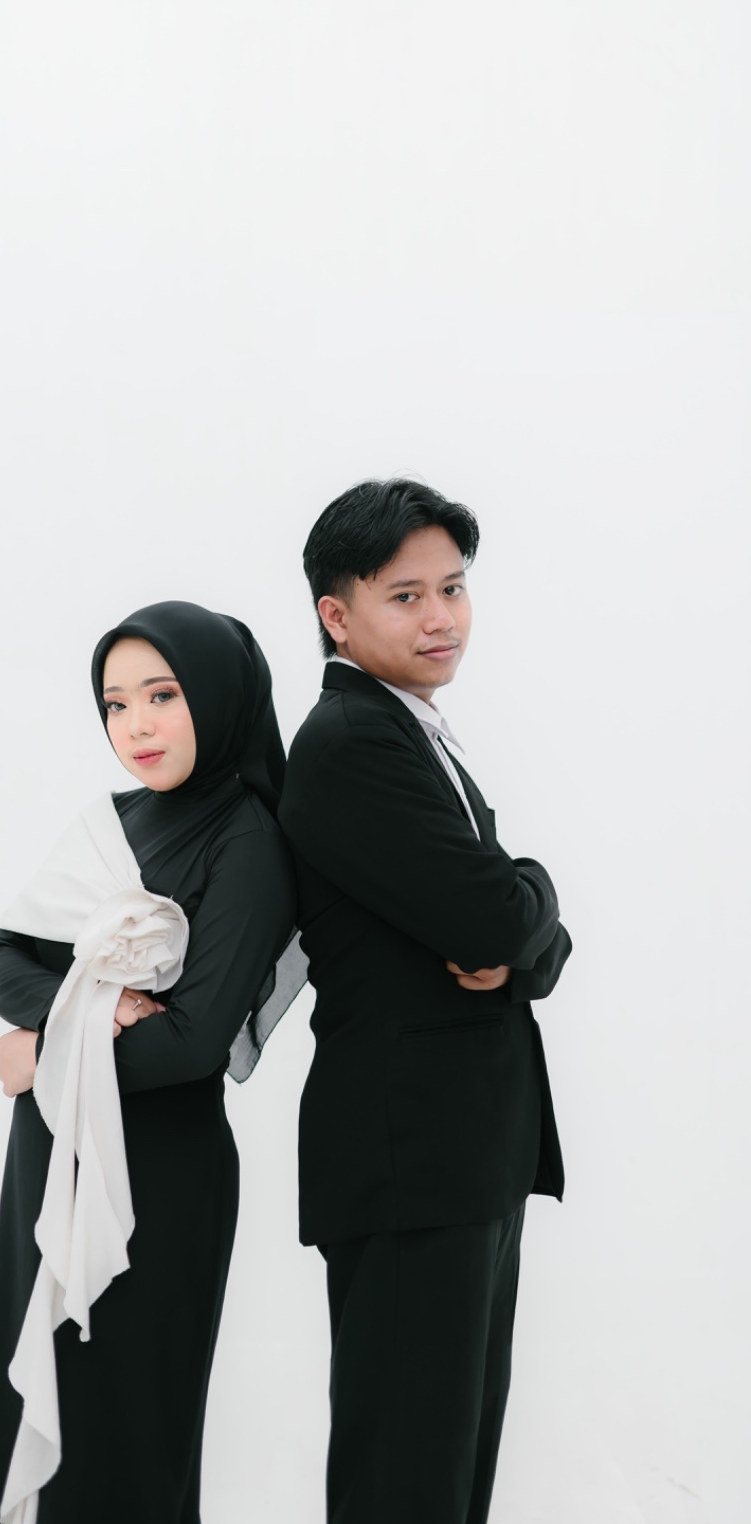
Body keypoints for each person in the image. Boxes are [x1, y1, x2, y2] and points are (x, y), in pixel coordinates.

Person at [0, 600, 301, 1524]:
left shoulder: (249, 841)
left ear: (219, 697)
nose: (135, 725)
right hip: (48, 1162)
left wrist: (41, 1053)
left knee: (123, 1436)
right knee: (34, 1409)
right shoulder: (109, 823)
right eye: (115, 704)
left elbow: (192, 1044)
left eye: (162, 695)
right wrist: (96, 1010)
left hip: (155, 1176)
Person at [278, 479, 571, 1524]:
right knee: (404, 1481)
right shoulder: (351, 742)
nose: (441, 616)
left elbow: (516, 937)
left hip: (464, 1156)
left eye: (452, 587)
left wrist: (521, 929)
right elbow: (496, 917)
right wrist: (532, 891)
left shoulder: (409, 729)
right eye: (406, 596)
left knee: (447, 1478)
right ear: (337, 614)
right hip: (410, 1162)